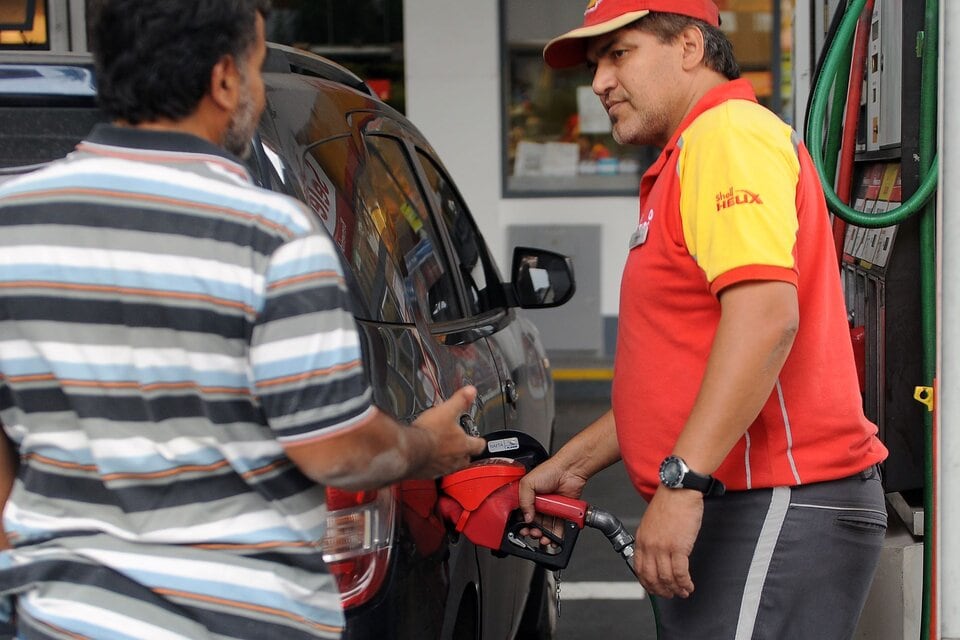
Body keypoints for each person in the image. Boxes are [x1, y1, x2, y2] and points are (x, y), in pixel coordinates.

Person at [0, 1, 485, 638]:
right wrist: (426, 447)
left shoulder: (14, 220)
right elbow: (335, 450)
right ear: (225, 79)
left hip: (64, 619)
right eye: (255, 68)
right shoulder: (271, 236)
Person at [518, 1, 889, 638]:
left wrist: (683, 482)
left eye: (619, 53)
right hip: (744, 498)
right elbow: (689, 364)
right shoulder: (690, 154)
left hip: (775, 500)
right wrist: (576, 463)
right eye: (594, 64)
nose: (600, 81)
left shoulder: (727, 135)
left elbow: (766, 318)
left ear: (690, 46)